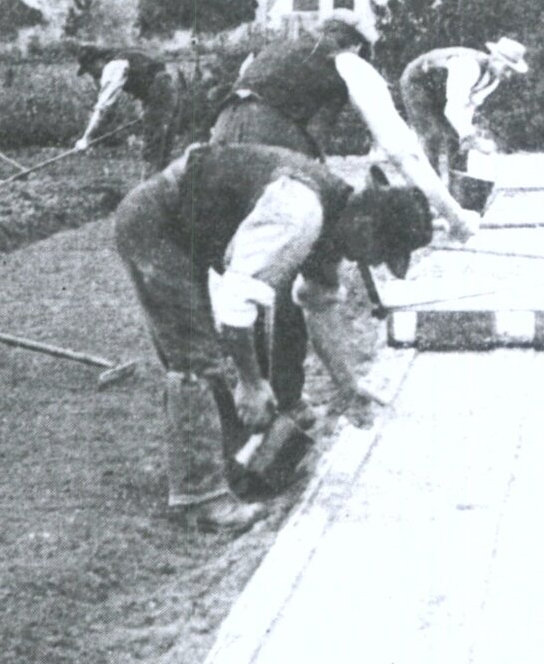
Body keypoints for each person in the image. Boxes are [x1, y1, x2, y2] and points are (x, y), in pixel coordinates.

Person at [113, 142, 437, 533]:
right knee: (193, 357)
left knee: (208, 354)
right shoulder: (299, 213)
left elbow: (317, 304)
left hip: (187, 229)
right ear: (366, 226)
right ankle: (202, 502)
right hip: (158, 225)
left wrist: (347, 385)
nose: (369, 264)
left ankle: (229, 467)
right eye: (379, 253)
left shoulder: (338, 220)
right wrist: (252, 382)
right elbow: (236, 303)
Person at [211, 10, 478, 421]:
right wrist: (455, 215)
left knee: (265, 275)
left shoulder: (271, 54)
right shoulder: (348, 63)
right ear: (358, 46)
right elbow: (400, 147)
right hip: (273, 158)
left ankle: (277, 399)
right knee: (289, 277)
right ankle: (276, 404)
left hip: (222, 153)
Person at [398, 37, 530, 184]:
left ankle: (457, 193)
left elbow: (468, 107)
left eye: (511, 71)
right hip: (418, 81)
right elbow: (452, 110)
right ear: (494, 59)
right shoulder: (468, 66)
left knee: (456, 141)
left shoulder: (494, 80)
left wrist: (465, 138)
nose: (508, 75)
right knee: (432, 136)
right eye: (506, 68)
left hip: (441, 92)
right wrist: (471, 137)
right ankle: (427, 190)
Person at [75, 45, 179, 171]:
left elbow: (103, 108)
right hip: (169, 87)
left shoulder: (112, 66)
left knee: (153, 149)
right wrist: (148, 107)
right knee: (162, 148)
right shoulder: (123, 57)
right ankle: (163, 185)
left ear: (97, 61)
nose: (92, 75)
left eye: (90, 69)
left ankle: (149, 186)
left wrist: (86, 139)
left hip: (160, 91)